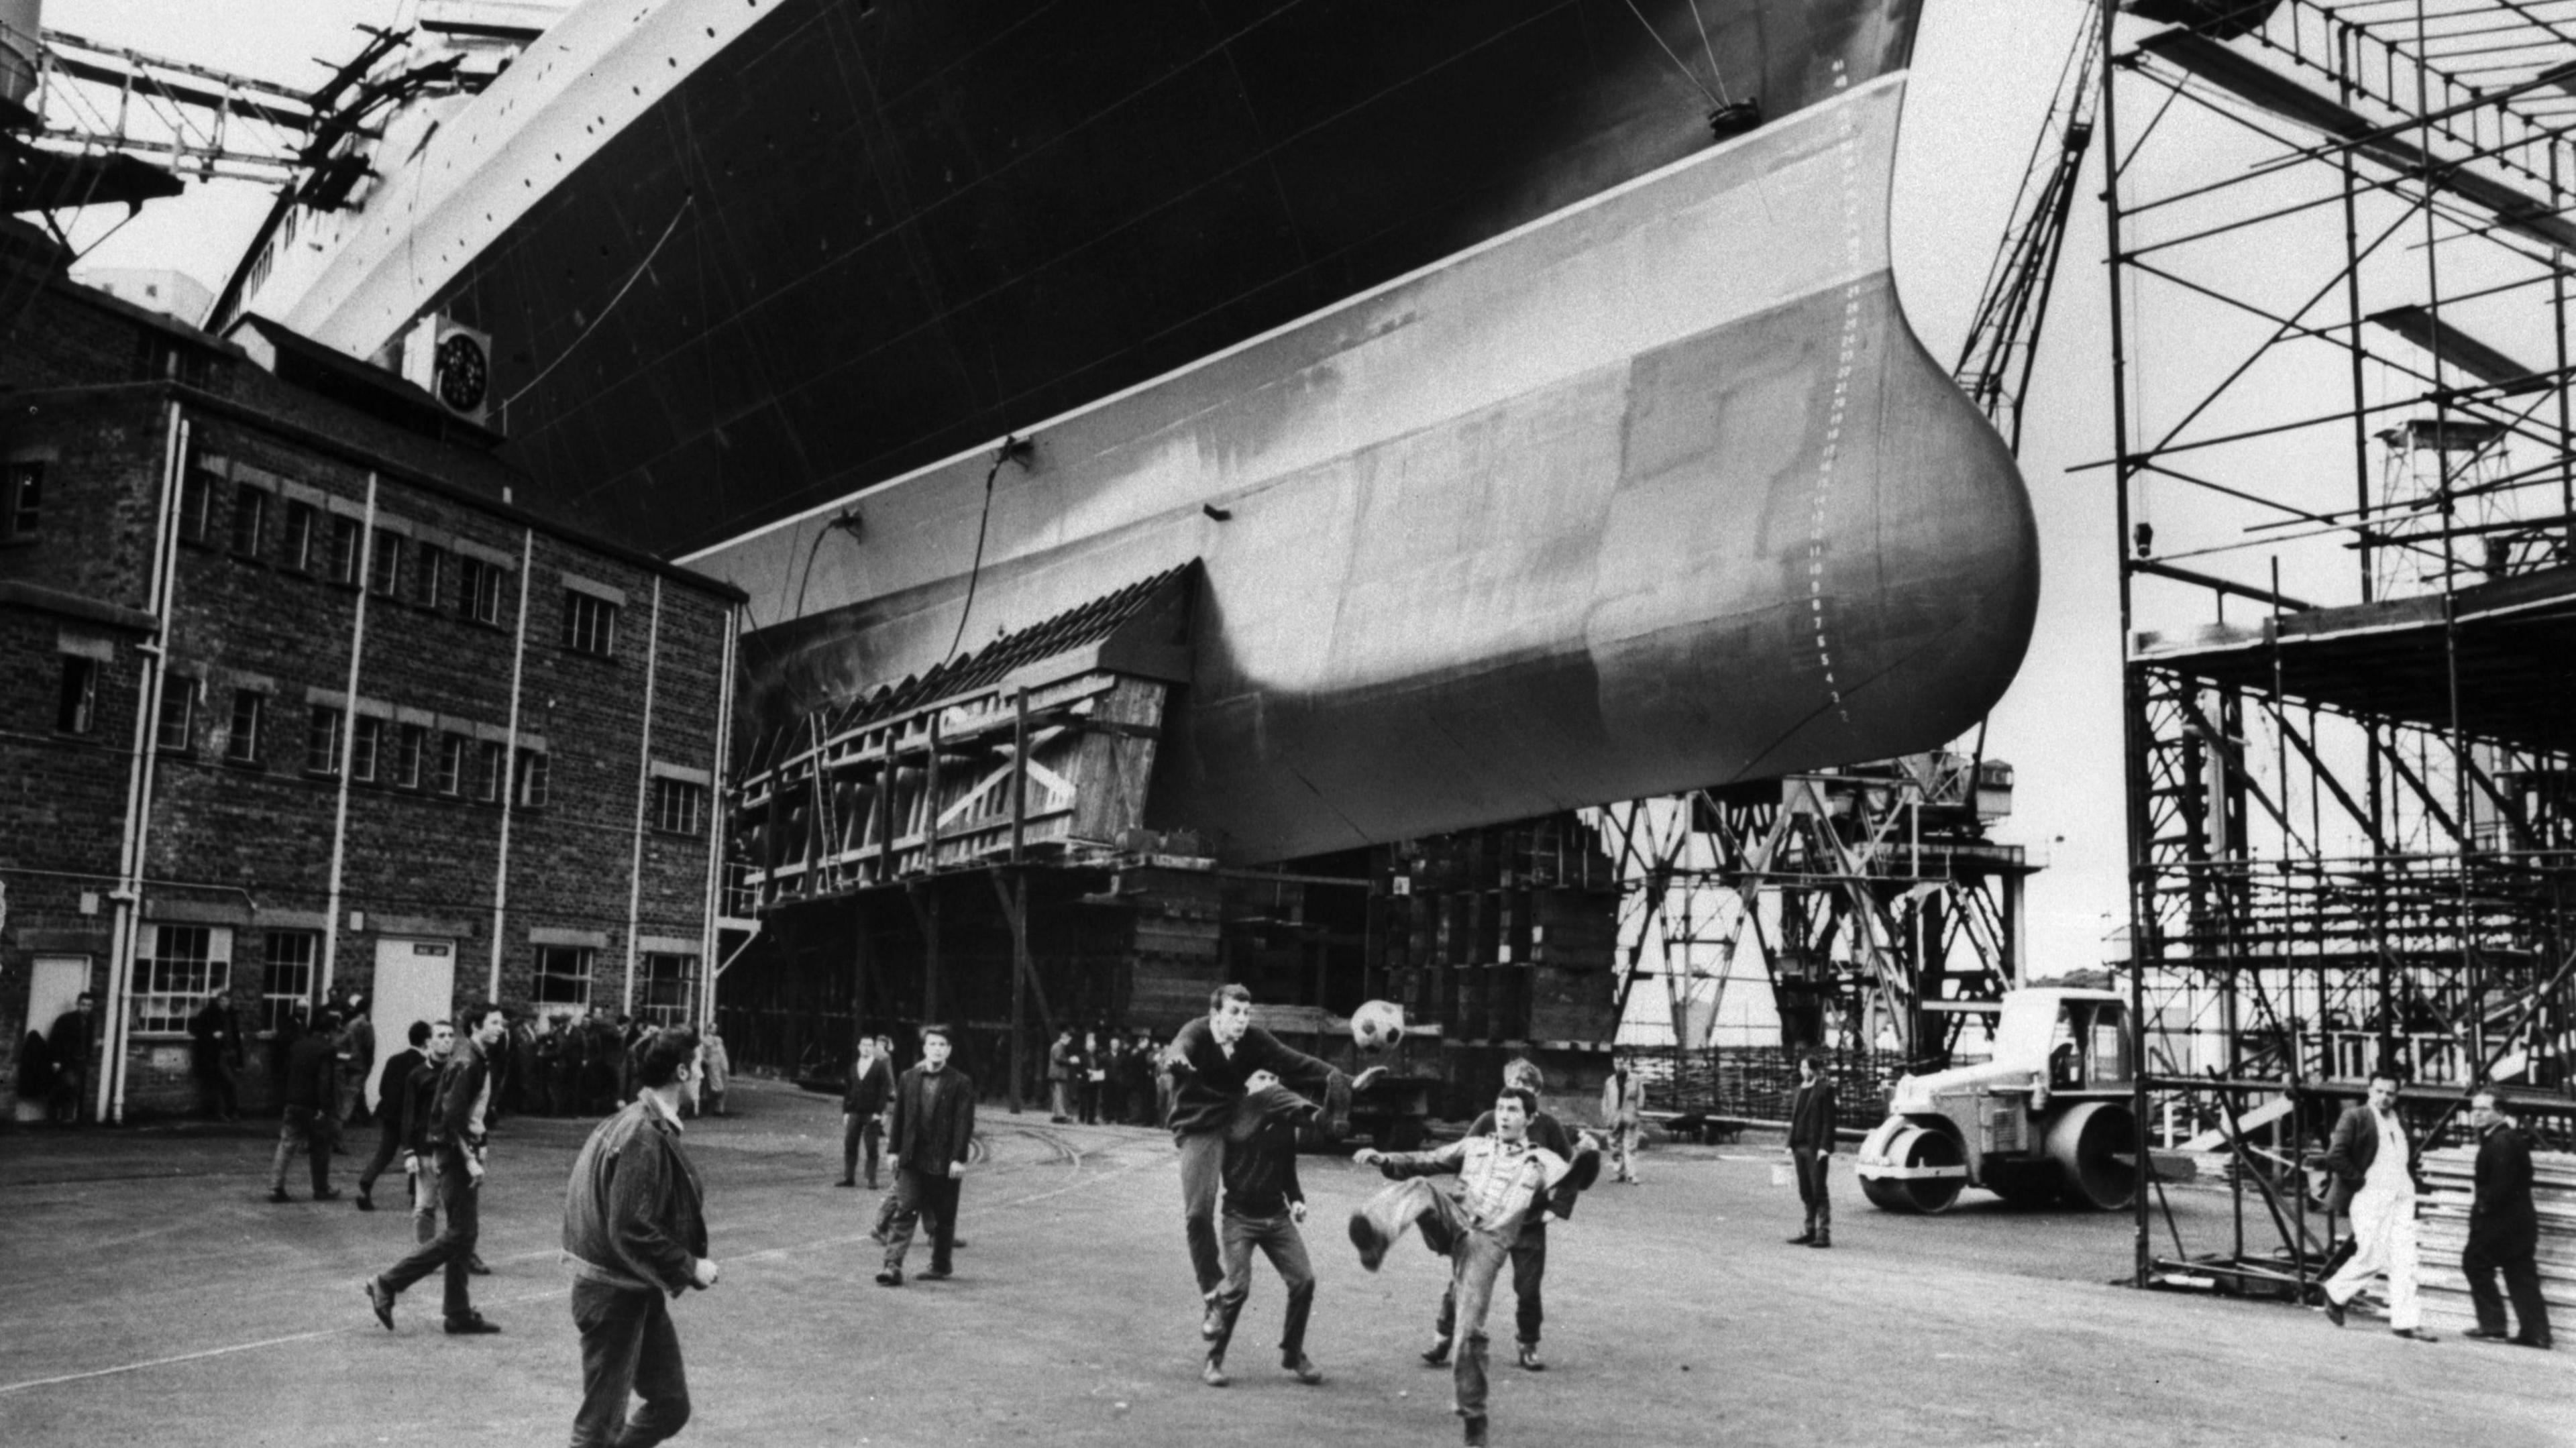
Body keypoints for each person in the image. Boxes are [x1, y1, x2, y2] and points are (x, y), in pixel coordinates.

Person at [1350, 1087, 1579, 1448]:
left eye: (1514, 1110)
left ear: (1530, 1119)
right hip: (1454, 1222)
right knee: (1422, 1187)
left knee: (1469, 1332)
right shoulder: (1475, 1146)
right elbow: (1429, 1159)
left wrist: (1587, 1162)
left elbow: (1571, 1177)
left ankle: (1474, 1419)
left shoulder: (1541, 1158)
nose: (1504, 1116)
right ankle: (1377, 1237)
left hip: (1486, 1243)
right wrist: (1386, 1159)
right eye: (1500, 1108)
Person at [1164, 984, 1379, 1337]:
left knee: (1273, 1093)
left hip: (1237, 1114)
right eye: (1234, 1013)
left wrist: (1347, 1081)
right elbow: (1180, 1045)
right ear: (1216, 1014)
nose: (1242, 1021)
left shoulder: (1254, 1040)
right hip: (1201, 1125)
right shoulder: (1197, 1032)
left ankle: (1324, 1117)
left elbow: (1297, 1061)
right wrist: (1177, 1059)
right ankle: (1212, 1293)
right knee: (1197, 1213)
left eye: (1247, 1014)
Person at [562, 1024, 721, 1448]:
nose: (705, 1075)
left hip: (634, 1288)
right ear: (682, 1073)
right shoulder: (643, 1134)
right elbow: (629, 1227)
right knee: (598, 1430)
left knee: (670, 1404)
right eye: (700, 1066)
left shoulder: (638, 1121)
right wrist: (689, 1266)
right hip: (614, 1295)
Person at [1425, 1060, 1598, 1373]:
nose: (1517, 1094)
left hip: (1528, 1224)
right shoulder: (1488, 1121)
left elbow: (1571, 1170)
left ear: (1535, 1095)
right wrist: (1463, 1202)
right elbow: (1464, 1158)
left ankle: (1528, 1345)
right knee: (1462, 1282)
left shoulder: (1549, 1127)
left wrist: (1556, 1209)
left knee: (1528, 1289)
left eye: (1525, 1087)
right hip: (1485, 1221)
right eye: (1513, 1084)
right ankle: (1442, 1338)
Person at [365, 1001, 508, 1335]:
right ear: (476, 1026)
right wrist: (469, 1159)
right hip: (454, 1153)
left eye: (503, 1024)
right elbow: (450, 1118)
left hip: (460, 1149)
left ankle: (457, 1313)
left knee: (463, 1233)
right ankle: (386, 1283)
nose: (502, 1029)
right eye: (496, 1023)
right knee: (461, 1234)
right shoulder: (467, 1062)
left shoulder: (476, 1058)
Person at [1203, 1070, 1325, 1388]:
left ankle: (1293, 1353)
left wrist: (1297, 1200)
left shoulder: (1284, 1122)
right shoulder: (1233, 1118)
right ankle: (1214, 1360)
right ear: (1247, 1083)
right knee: (1239, 1287)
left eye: (1273, 1077)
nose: (1269, 1083)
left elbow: (1288, 1168)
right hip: (1239, 1217)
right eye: (1261, 1076)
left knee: (1304, 1280)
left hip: (1276, 1216)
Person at [2317, 1070, 2432, 1341]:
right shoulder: (2356, 1117)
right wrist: (2360, 1181)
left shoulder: (2399, 1123)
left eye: (2390, 1093)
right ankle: (2335, 1291)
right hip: (2371, 1195)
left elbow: (2405, 1159)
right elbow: (2335, 1154)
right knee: (2372, 1254)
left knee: (2405, 1259)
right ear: (2370, 1091)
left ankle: (2405, 1322)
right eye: (2379, 1091)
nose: (2384, 1097)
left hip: (2401, 1196)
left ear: (2397, 1096)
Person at [877, 1023, 974, 1287]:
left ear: (949, 1050)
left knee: (944, 1218)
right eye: (932, 1044)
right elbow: (899, 1118)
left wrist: (958, 1158)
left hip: (944, 1163)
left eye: (942, 1045)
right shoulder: (908, 1078)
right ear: (924, 1048)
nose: (937, 1049)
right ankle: (892, 1266)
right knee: (904, 1210)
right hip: (912, 1160)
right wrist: (893, 1150)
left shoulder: (960, 1082)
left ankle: (941, 1266)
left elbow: (964, 1124)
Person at [2461, 1088, 2552, 1349]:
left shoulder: (2500, 1142)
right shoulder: (2509, 1138)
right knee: (2520, 1273)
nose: (2476, 1114)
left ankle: (2493, 1325)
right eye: (2474, 1109)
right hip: (2520, 1223)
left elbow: (2501, 1186)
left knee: (2475, 1263)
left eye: (2483, 1109)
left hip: (2501, 1223)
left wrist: (2481, 1212)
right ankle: (2536, 1333)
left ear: (2499, 1112)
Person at [356, 1021, 431, 1211]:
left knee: (385, 1153)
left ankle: (366, 1182)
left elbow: (383, 1088)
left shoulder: (394, 1060)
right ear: (426, 1041)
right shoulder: (425, 1066)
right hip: (412, 1118)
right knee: (418, 1153)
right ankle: (416, 1196)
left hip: (389, 1113)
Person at [270, 1009, 343, 1203]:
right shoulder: (327, 1050)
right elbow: (324, 1081)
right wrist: (325, 1107)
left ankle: (276, 1187)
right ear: (330, 1031)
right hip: (313, 1105)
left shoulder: (298, 1045)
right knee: (320, 1148)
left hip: (293, 1101)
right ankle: (321, 1189)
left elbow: (286, 1072)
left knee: (286, 1145)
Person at [397, 1021, 458, 1246]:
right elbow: (408, 1115)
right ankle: (425, 1252)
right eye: (441, 1036)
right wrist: (409, 1152)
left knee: (459, 1207)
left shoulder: (459, 1072)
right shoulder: (418, 1075)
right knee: (425, 1206)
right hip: (425, 1150)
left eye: (451, 1035)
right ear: (429, 1042)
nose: (447, 1040)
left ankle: (464, 1254)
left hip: (453, 1148)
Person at [1785, 1052, 1837, 1249]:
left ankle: (1823, 1234)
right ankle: (1810, 1231)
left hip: (1815, 1149)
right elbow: (1795, 1118)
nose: (1803, 1071)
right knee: (1805, 1190)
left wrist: (1825, 1147)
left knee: (1819, 1191)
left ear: (1814, 1070)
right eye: (1801, 1068)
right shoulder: (1798, 1090)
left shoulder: (1825, 1090)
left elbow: (1829, 1121)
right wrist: (1789, 1144)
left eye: (1806, 1068)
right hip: (1799, 1146)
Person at [840, 1032, 894, 1188]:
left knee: (871, 1147)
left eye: (870, 1046)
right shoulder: (853, 1066)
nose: (867, 1048)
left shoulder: (880, 1066)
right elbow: (848, 1090)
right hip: (854, 1113)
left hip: (872, 1114)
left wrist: (879, 1112)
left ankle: (872, 1180)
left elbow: (884, 1090)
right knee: (850, 1145)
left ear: (873, 1048)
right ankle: (849, 1178)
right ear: (859, 1047)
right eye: (864, 1045)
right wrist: (845, 1112)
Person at [188, 991, 244, 1121]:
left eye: (227, 1001)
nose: (225, 1003)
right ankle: (221, 1112)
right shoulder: (209, 1013)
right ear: (218, 1001)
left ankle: (231, 1112)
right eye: (223, 1001)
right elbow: (195, 1028)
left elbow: (236, 1036)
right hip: (218, 1053)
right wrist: (212, 1035)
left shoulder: (232, 1015)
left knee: (228, 1083)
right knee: (226, 1081)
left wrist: (240, 1059)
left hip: (231, 1052)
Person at [47, 991, 97, 1125]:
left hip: (80, 1061)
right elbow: (55, 1039)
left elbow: (88, 1040)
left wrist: (88, 1056)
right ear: (78, 1004)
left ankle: (66, 1117)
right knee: (69, 1085)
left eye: (89, 1005)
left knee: (74, 1088)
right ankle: (64, 1116)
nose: (86, 1008)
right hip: (66, 1060)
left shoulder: (90, 1022)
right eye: (83, 1005)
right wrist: (56, 1060)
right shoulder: (66, 1020)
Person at [1600, 1059, 1645, 1184]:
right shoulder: (1610, 1081)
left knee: (1631, 1146)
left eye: (1622, 1063)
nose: (1619, 1066)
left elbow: (1641, 1096)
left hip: (1630, 1115)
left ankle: (1632, 1175)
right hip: (1614, 1116)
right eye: (1616, 1063)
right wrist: (1605, 1115)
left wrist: (1638, 1111)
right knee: (1614, 1146)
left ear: (1626, 1064)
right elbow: (1605, 1099)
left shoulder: (1635, 1079)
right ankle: (1619, 1173)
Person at [341, 995, 376, 1129]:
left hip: (348, 1060)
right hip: (360, 1062)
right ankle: (345, 1119)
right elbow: (369, 1046)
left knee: (354, 1089)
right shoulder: (367, 1026)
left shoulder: (350, 1024)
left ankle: (363, 1116)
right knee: (355, 1091)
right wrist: (370, 1063)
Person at [700, 1023, 731, 1118]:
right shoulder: (705, 1040)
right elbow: (702, 1053)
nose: (715, 1030)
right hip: (713, 1063)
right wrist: (706, 1061)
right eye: (713, 1028)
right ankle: (712, 1106)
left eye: (716, 1028)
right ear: (708, 1029)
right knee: (717, 1086)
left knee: (724, 1084)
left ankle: (719, 1108)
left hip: (722, 1063)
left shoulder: (719, 1040)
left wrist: (725, 1063)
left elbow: (723, 1052)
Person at [1048, 1028, 1076, 1123]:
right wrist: (1070, 1061)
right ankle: (1061, 1116)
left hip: (1056, 1074)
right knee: (1059, 1095)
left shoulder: (1057, 1046)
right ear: (1066, 1038)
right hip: (1058, 1074)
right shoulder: (1059, 1046)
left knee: (1057, 1095)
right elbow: (1058, 1058)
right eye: (1069, 1040)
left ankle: (1057, 1115)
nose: (1069, 1042)